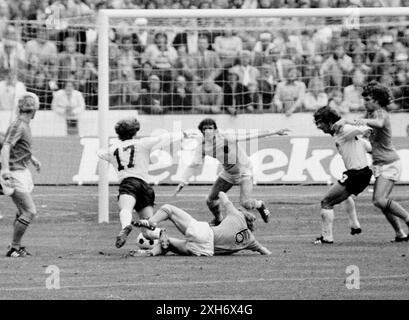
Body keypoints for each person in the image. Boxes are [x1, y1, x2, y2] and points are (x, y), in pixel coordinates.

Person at [173, 118, 289, 225]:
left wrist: (273, 132)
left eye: (210, 128)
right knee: (210, 200)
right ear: (202, 132)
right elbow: (194, 165)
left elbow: (249, 135)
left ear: (215, 130)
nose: (208, 131)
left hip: (244, 171)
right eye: (205, 129)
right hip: (228, 173)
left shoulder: (226, 137)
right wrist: (182, 182)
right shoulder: (202, 147)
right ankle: (219, 219)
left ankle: (260, 204)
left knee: (246, 204)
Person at [97, 118, 189, 248]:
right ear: (135, 131)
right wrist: (181, 134)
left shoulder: (113, 149)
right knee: (147, 231)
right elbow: (162, 138)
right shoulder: (142, 143)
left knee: (125, 209)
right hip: (145, 187)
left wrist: (103, 152)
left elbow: (100, 153)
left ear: (118, 133)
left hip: (128, 183)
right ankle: (160, 233)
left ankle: (125, 226)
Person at [350, 81, 409, 242]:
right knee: (382, 202)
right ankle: (400, 233)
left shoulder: (380, 112)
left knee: (379, 200)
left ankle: (408, 219)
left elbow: (380, 123)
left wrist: (362, 121)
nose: (365, 102)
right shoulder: (371, 115)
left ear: (376, 100)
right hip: (380, 163)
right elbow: (371, 141)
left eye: (368, 99)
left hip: (389, 163)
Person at [135, 192, 271, 256]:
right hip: (204, 251)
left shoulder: (237, 216)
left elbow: (223, 196)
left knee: (168, 209)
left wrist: (219, 193)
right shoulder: (251, 240)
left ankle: (151, 223)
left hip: (205, 234)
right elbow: (265, 251)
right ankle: (150, 253)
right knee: (169, 244)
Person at [313, 106, 373, 244]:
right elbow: (368, 147)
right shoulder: (343, 133)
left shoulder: (343, 130)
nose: (318, 126)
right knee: (344, 195)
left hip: (356, 174)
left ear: (328, 121)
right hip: (361, 173)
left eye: (319, 122)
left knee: (326, 202)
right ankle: (355, 225)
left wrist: (346, 122)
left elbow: (365, 129)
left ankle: (327, 238)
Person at [0, 92, 41, 257]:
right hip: (15, 172)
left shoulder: (24, 124)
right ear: (35, 109)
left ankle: (16, 245)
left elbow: (18, 147)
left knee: (21, 211)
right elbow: (6, 146)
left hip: (22, 170)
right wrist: (5, 171)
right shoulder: (18, 125)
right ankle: (14, 247)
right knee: (29, 211)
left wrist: (32, 158)